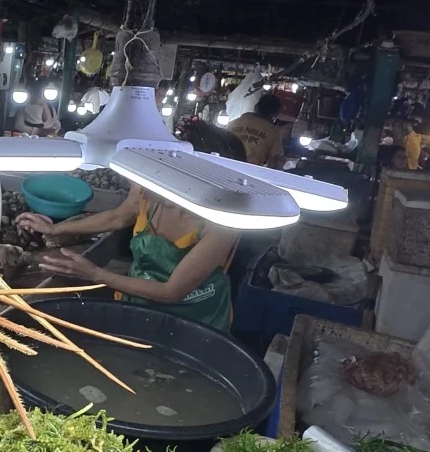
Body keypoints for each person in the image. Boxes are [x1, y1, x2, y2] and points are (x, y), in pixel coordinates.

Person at [18, 186, 240, 332]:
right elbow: (117, 217)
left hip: (196, 319)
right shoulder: (149, 190)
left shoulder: (223, 225)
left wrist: (96, 274)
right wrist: (55, 229)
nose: (158, 193)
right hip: (139, 304)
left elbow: (170, 291)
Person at [227, 93, 286, 168]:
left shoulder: (233, 123)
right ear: (273, 116)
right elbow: (275, 161)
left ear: (255, 107)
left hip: (227, 165)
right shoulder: (273, 131)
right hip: (250, 170)